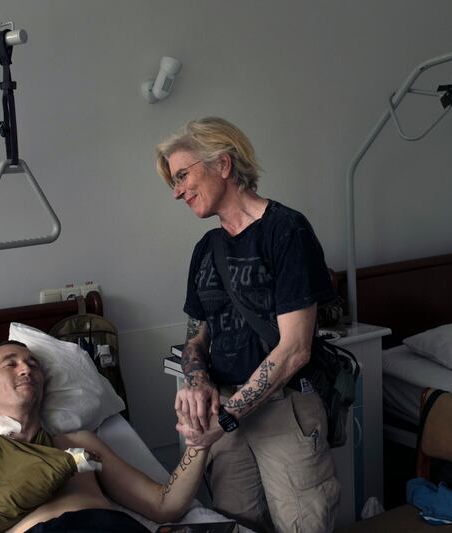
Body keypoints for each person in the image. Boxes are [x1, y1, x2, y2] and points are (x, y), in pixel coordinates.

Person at [156, 117, 341, 533]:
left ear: (222, 164)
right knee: (235, 523)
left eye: (182, 175)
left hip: (283, 409)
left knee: (302, 524)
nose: (177, 191)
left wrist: (226, 418)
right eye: (173, 181)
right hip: (225, 409)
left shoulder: (286, 230)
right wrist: (196, 383)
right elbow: (196, 336)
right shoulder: (206, 249)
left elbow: (295, 349)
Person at [0, 340, 218, 533]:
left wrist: (198, 445)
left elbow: (164, 506)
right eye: (11, 363)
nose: (26, 369)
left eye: (32, 364)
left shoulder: (78, 444)